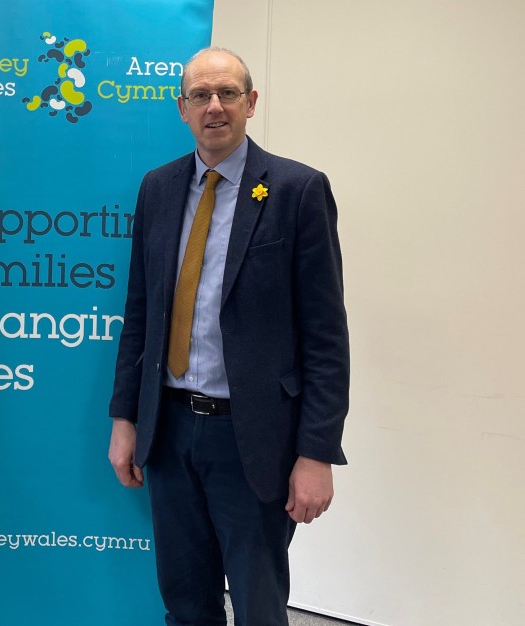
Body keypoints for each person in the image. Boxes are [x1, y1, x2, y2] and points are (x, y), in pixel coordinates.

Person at [108, 48, 349, 625]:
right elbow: (139, 314)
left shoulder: (296, 190)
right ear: (182, 108)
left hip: (253, 440)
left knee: (258, 605)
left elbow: (326, 337)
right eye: (200, 95)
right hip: (169, 431)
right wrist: (125, 419)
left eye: (227, 94)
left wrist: (317, 452)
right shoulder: (158, 188)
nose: (214, 106)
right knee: (185, 603)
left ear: (251, 102)